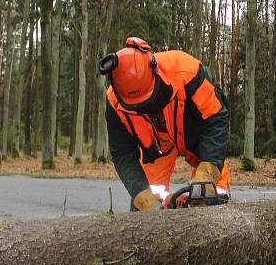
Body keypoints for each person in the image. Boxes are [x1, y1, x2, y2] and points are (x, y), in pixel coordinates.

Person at [99, 37, 231, 211]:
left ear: (155, 70)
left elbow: (216, 118)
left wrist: (208, 171)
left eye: (147, 102)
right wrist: (143, 198)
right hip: (155, 147)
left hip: (196, 136)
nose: (145, 107)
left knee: (212, 191)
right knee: (148, 198)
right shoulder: (114, 102)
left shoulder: (186, 71)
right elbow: (123, 154)